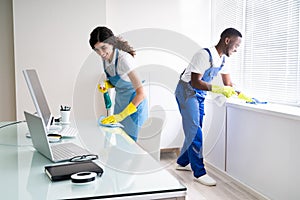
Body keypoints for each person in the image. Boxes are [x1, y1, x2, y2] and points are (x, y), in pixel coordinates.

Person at [175, 28, 252, 186]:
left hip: (200, 95)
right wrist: (219, 90)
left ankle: (182, 162)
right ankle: (199, 172)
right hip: (186, 92)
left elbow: (228, 84)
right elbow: (195, 82)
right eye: (236, 45)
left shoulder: (223, 60)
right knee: (194, 130)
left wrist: (242, 95)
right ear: (227, 40)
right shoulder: (204, 55)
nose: (237, 50)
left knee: (195, 129)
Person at [89, 26, 148, 141]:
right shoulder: (105, 58)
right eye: (96, 50)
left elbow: (141, 94)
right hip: (120, 104)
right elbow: (120, 81)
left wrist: (121, 116)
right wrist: (107, 85)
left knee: (133, 147)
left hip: (134, 107)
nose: (101, 53)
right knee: (121, 144)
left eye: (103, 47)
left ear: (112, 43)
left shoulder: (124, 60)